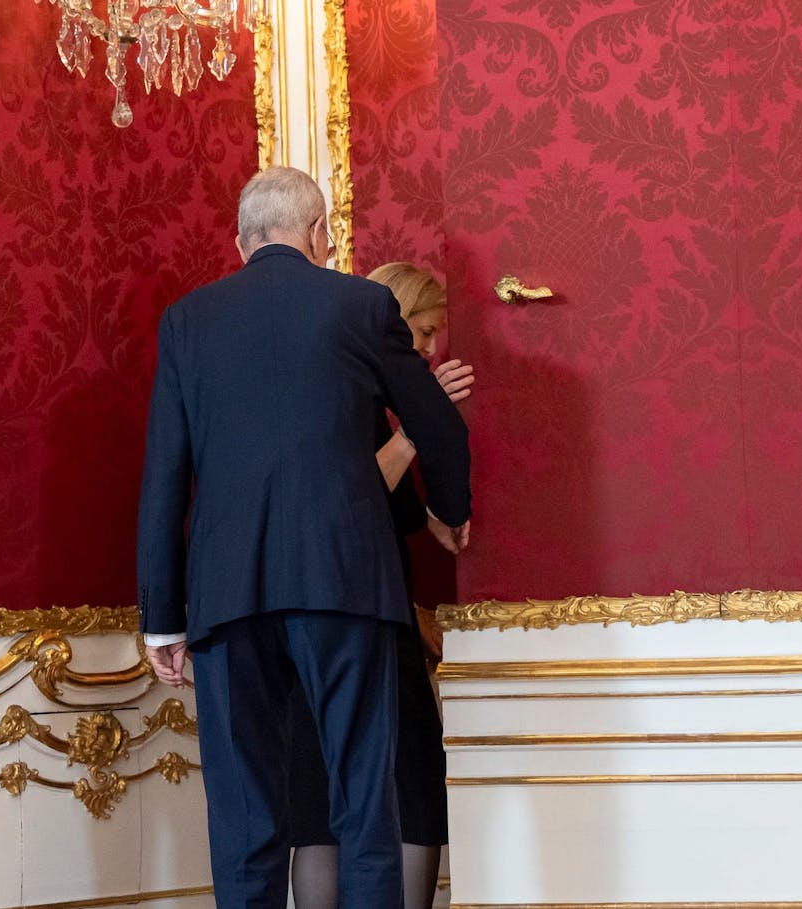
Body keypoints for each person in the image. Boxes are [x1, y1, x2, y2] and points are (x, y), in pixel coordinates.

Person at [136, 167, 472, 909]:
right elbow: (437, 421)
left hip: (226, 595)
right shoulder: (362, 304)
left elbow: (164, 476)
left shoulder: (189, 321)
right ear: (321, 232)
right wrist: (452, 508)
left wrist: (162, 616)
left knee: (246, 815)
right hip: (346, 585)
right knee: (364, 805)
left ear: (241, 241)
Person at [286, 263, 472, 909]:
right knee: (413, 780)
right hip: (363, 608)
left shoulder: (326, 380)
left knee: (323, 791)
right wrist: (423, 420)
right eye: (420, 333)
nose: (426, 350)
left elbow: (375, 499)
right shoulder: (361, 389)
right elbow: (352, 493)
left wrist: (431, 520)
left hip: (310, 610)